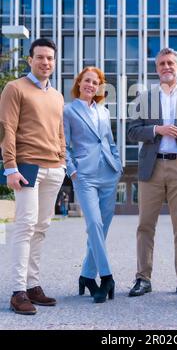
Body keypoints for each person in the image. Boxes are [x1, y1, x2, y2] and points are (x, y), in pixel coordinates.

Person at [127, 48, 177, 298]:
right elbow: (132, 131)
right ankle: (143, 278)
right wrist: (157, 129)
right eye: (161, 63)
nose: (166, 67)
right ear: (156, 68)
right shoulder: (144, 98)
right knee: (145, 225)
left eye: (171, 63)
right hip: (152, 166)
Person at [0, 38, 66, 315]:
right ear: (30, 60)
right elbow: (7, 128)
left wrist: (62, 160)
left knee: (41, 228)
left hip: (54, 168)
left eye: (50, 58)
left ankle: (33, 284)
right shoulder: (14, 88)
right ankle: (18, 291)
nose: (45, 62)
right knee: (25, 227)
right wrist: (10, 167)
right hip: (27, 167)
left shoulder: (57, 95)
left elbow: (60, 132)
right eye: (40, 57)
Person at [63, 67, 122, 304]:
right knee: (94, 223)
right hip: (85, 176)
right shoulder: (68, 111)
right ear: (79, 83)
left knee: (102, 228)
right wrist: (72, 171)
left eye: (96, 82)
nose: (91, 85)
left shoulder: (103, 112)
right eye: (87, 80)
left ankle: (87, 276)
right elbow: (64, 145)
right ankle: (106, 277)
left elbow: (109, 141)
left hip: (108, 173)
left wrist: (117, 165)